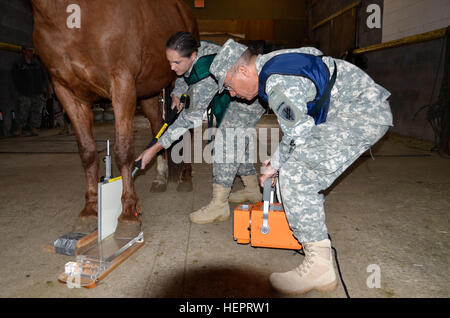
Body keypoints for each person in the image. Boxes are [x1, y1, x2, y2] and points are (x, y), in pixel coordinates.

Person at [209, 39, 393, 295]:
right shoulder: (275, 64)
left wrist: (278, 164)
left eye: (228, 86)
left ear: (242, 71)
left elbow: (300, 137)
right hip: (354, 110)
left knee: (297, 174)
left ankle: (320, 268)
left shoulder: (275, 83)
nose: (231, 93)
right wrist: (275, 162)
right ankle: (319, 261)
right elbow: (298, 127)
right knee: (291, 164)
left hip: (360, 114)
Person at [136, 32, 265, 224]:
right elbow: (186, 76)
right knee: (237, 141)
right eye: (169, 61)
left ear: (193, 56)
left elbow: (188, 120)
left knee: (227, 142)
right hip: (231, 91)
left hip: (247, 95)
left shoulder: (206, 79)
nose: (172, 67)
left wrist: (153, 149)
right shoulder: (197, 48)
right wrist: (177, 93)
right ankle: (252, 189)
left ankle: (219, 205)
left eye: (176, 62)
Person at [11, 47, 48, 136]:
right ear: (24, 51)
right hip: (24, 91)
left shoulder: (36, 63)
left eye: (32, 50)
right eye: (28, 50)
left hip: (37, 90)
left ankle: (34, 128)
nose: (31, 52)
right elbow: (15, 78)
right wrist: (19, 89)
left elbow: (43, 76)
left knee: (37, 109)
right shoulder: (19, 64)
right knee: (23, 109)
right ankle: (19, 128)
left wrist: (44, 88)